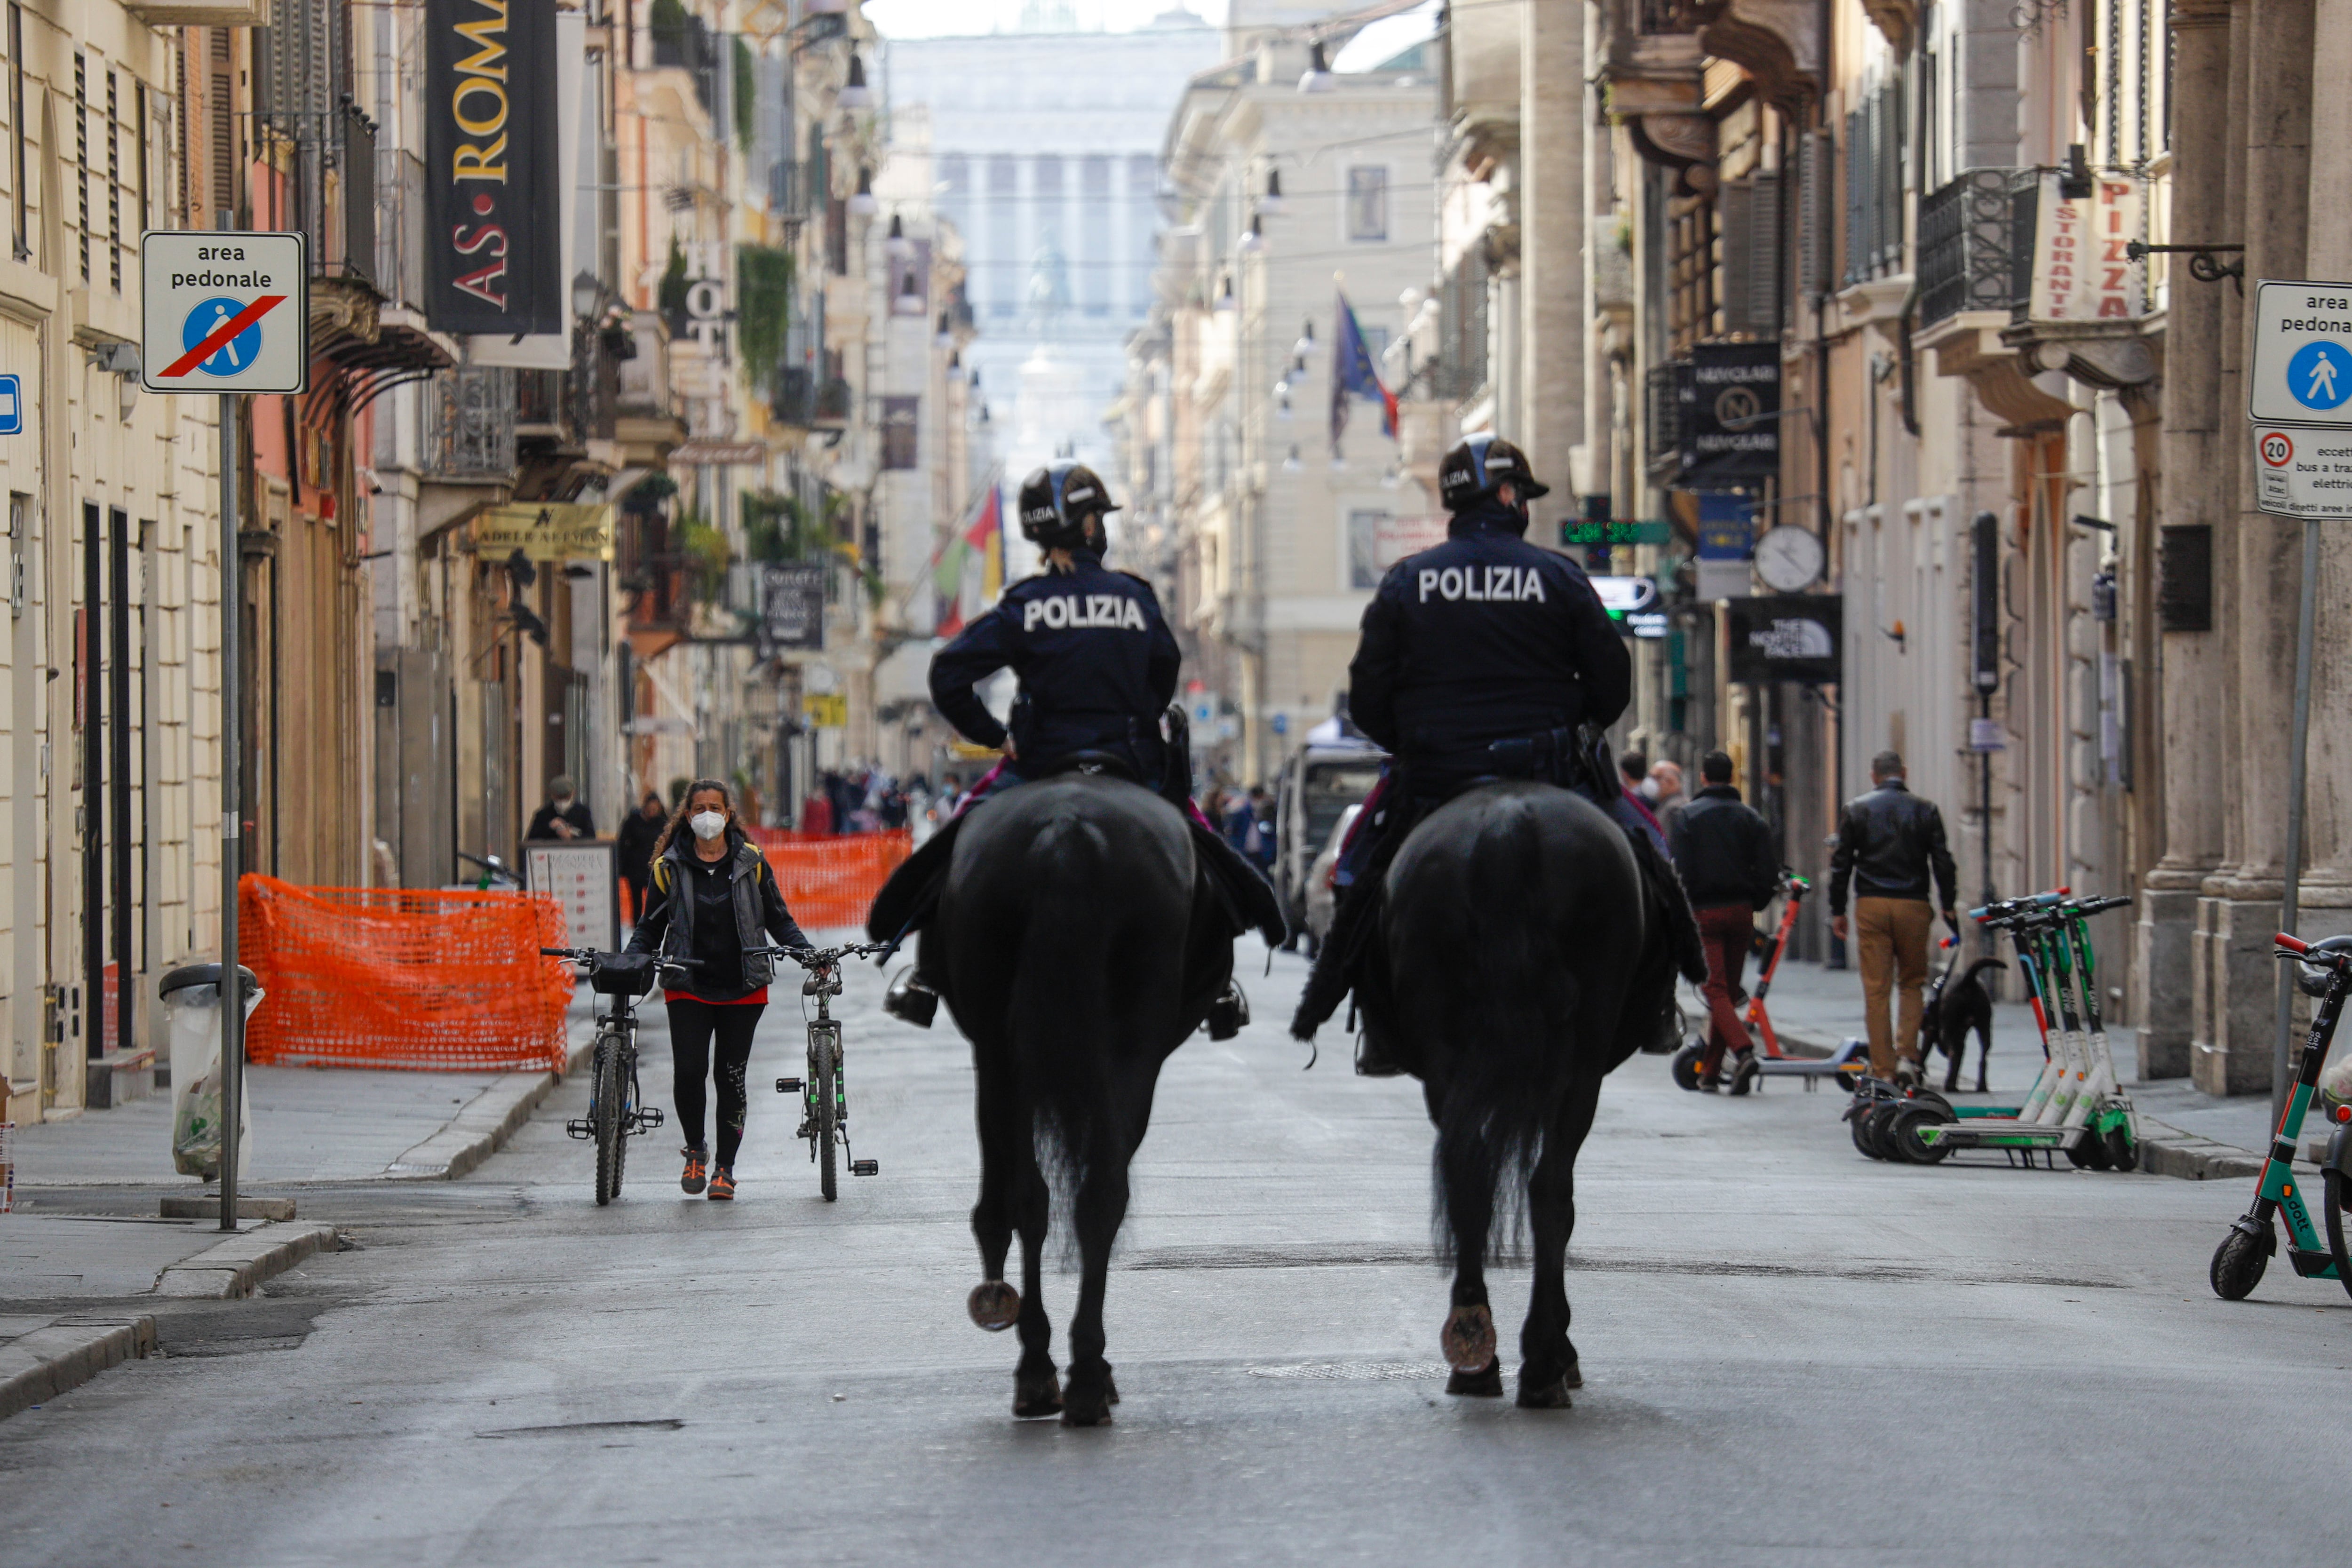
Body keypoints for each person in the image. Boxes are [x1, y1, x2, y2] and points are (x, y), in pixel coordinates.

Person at [1292, 433, 1705, 1073]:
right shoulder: (1559, 574)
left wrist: (1414, 743)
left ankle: (1377, 1023)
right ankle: (1658, 1005)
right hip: (1551, 767)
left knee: (1356, 873)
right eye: (1524, 496)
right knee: (1650, 851)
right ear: (1509, 496)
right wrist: (1581, 725)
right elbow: (1612, 684)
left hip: (1436, 773)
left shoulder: (1408, 580)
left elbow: (1368, 697)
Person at [869, 460, 1280, 1032]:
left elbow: (948, 675)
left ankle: (926, 976)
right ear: (1090, 528)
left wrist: (995, 737)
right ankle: (1216, 984)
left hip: (1037, 764)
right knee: (1200, 847)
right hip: (1130, 763)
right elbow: (1164, 671)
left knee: (959, 844)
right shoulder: (1134, 598)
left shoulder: (1025, 604)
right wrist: (1135, 708)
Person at [627, 778, 812, 1201]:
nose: (708, 814)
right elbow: (649, 928)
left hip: (743, 986)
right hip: (687, 983)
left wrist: (805, 952)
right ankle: (696, 1149)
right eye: (700, 808)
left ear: (728, 815)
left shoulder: (753, 862)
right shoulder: (668, 867)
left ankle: (725, 1169)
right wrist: (631, 959)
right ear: (687, 816)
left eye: (716, 806)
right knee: (690, 1071)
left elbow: (778, 919)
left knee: (731, 1077)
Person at [1827, 749, 1960, 1086]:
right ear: (1904, 772)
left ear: (1874, 775)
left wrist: (1838, 909)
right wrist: (1948, 902)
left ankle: (1883, 1067)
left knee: (1876, 988)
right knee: (1912, 982)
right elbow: (1942, 860)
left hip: (1872, 903)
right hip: (1913, 903)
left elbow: (1842, 863)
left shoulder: (1856, 809)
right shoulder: (1925, 809)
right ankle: (1907, 1056)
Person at [1670, 750, 1780, 1090]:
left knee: (1714, 989)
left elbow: (1681, 872)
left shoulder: (1686, 817)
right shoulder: (1751, 819)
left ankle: (1744, 1051)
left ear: (1703, 777)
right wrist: (1755, 902)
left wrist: (1683, 911)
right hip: (1741, 911)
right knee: (1727, 993)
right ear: (1732, 778)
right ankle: (1710, 1073)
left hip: (1703, 912)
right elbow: (1768, 872)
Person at [615, 790, 666, 925]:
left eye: (656, 809)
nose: (653, 812)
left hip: (654, 867)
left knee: (655, 898)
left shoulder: (662, 822)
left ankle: (654, 924)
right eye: (651, 808)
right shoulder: (634, 820)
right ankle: (637, 924)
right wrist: (621, 865)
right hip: (635, 867)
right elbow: (623, 842)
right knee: (636, 899)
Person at [525, 775, 594, 842]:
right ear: (552, 795)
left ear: (573, 794)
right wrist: (549, 827)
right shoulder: (543, 815)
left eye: (566, 797)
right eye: (558, 797)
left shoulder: (583, 812)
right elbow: (531, 840)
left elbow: (591, 838)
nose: (562, 801)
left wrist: (572, 836)